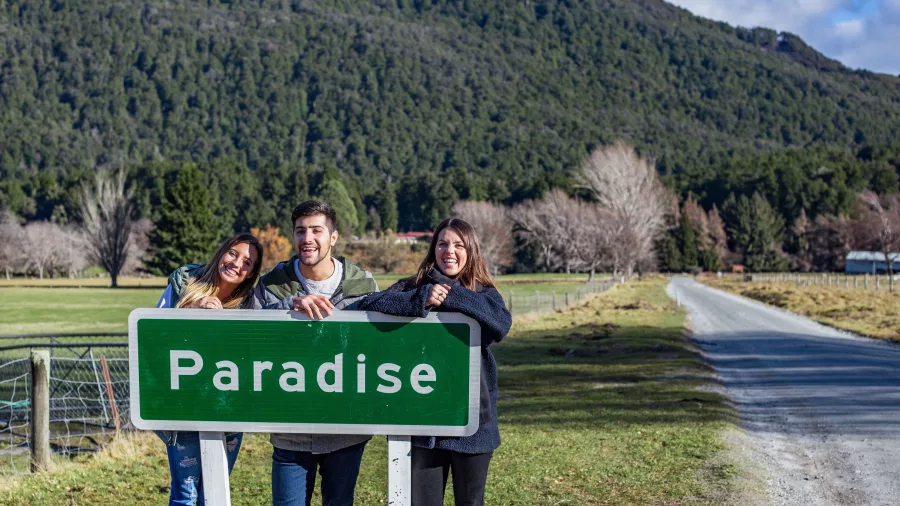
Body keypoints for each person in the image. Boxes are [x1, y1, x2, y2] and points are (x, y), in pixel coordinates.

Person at [352, 218, 512, 506]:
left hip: (472, 423)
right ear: (433, 249)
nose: (449, 251)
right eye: (442, 243)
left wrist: (451, 296)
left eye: (458, 245)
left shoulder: (484, 294)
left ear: (471, 251)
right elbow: (366, 306)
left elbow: (500, 324)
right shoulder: (413, 287)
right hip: (423, 425)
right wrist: (420, 299)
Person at [251, 200, 379, 506]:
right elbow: (252, 342)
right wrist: (288, 309)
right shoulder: (271, 286)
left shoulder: (362, 284)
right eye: (300, 231)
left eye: (316, 230)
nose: (307, 238)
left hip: (345, 429)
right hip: (290, 429)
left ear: (333, 237)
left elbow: (375, 348)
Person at [155, 233, 264, 506]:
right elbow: (154, 333)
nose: (237, 264)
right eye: (233, 253)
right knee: (185, 495)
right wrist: (193, 308)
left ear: (250, 274)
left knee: (215, 493)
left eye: (247, 263)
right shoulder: (185, 282)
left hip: (228, 410)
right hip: (185, 406)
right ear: (221, 252)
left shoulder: (250, 304)